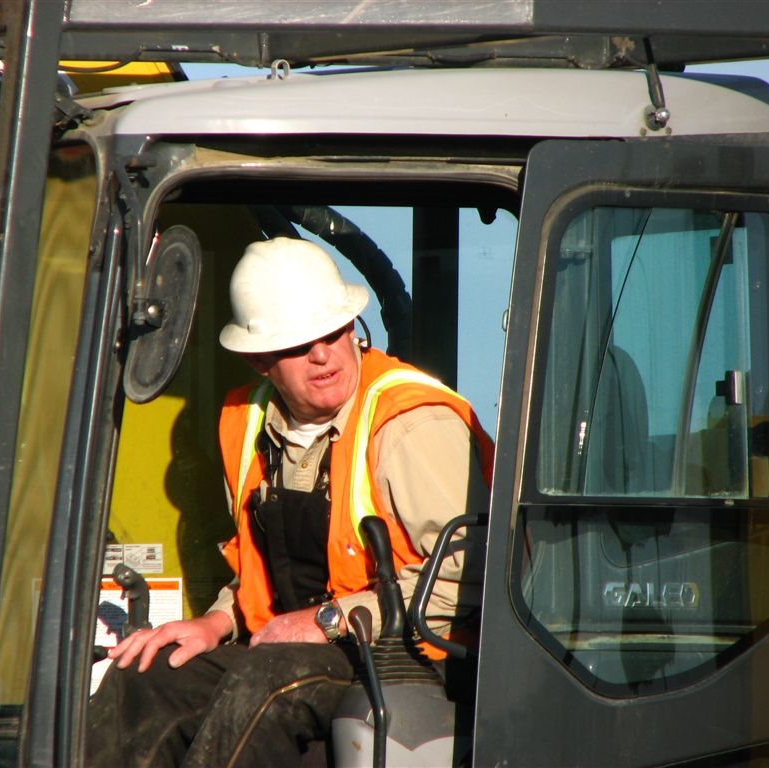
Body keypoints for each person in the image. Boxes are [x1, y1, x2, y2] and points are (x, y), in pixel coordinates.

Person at [86, 237, 493, 767]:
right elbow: (257, 571)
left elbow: (473, 579)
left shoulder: (411, 425)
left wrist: (325, 619)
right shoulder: (249, 423)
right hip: (299, 650)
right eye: (299, 344)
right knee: (148, 674)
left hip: (409, 656)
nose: (322, 355)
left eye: (333, 332)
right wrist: (215, 622)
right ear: (259, 360)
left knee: (268, 681)